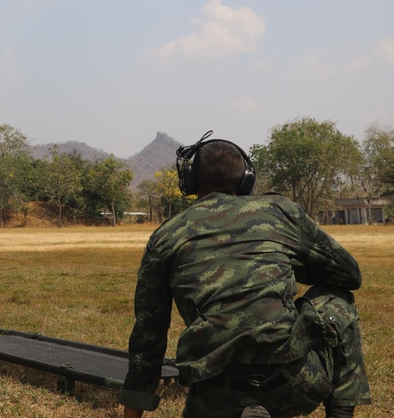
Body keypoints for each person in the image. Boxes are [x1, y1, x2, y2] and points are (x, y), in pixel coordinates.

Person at [121, 131, 370, 418]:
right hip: (294, 383)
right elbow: (349, 275)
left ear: (189, 181)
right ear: (246, 180)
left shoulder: (166, 235)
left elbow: (147, 335)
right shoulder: (279, 211)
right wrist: (288, 260)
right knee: (340, 299)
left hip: (215, 395)